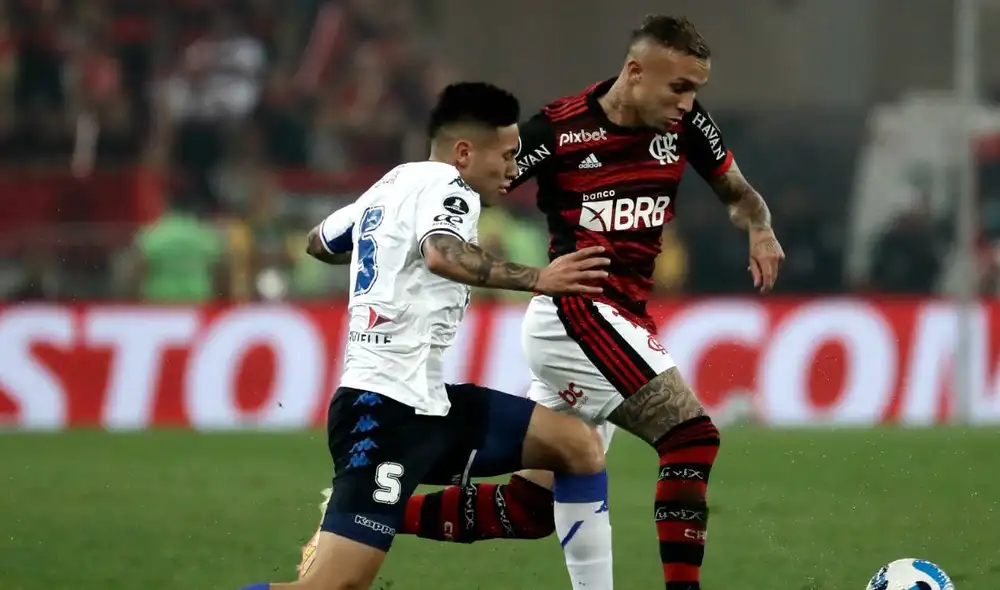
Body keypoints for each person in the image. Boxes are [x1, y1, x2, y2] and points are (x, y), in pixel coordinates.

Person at [320, 15, 788, 590]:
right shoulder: (561, 132)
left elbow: (737, 192)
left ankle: (355, 518)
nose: (689, 102)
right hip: (575, 314)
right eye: (679, 87)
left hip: (623, 317)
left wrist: (760, 227)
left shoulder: (687, 123)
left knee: (531, 506)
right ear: (636, 72)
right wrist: (403, 220)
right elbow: (474, 181)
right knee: (691, 437)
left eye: (696, 90)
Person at [237, 82, 615, 590]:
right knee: (331, 588)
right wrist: (537, 278)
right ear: (464, 152)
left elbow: (318, 242)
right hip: (383, 413)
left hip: (429, 402)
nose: (512, 170)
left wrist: (381, 239)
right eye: (505, 156)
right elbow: (443, 253)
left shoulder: (392, 185)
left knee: (578, 446)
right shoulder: (447, 187)